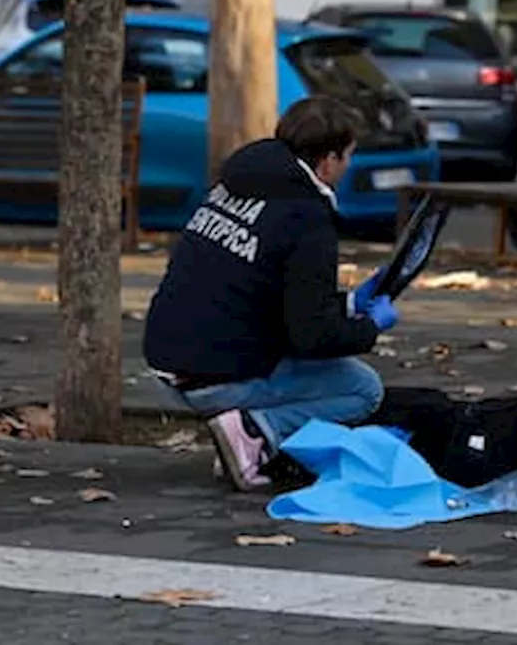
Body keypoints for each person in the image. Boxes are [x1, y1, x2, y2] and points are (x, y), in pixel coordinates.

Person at [143, 97, 398, 491]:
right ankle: (252, 432)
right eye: (348, 157)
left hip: (169, 358)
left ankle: (238, 441)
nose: (347, 167)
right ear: (328, 161)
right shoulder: (308, 217)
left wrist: (347, 304)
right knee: (362, 388)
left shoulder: (238, 183)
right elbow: (312, 337)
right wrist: (368, 327)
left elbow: (261, 290)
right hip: (214, 372)